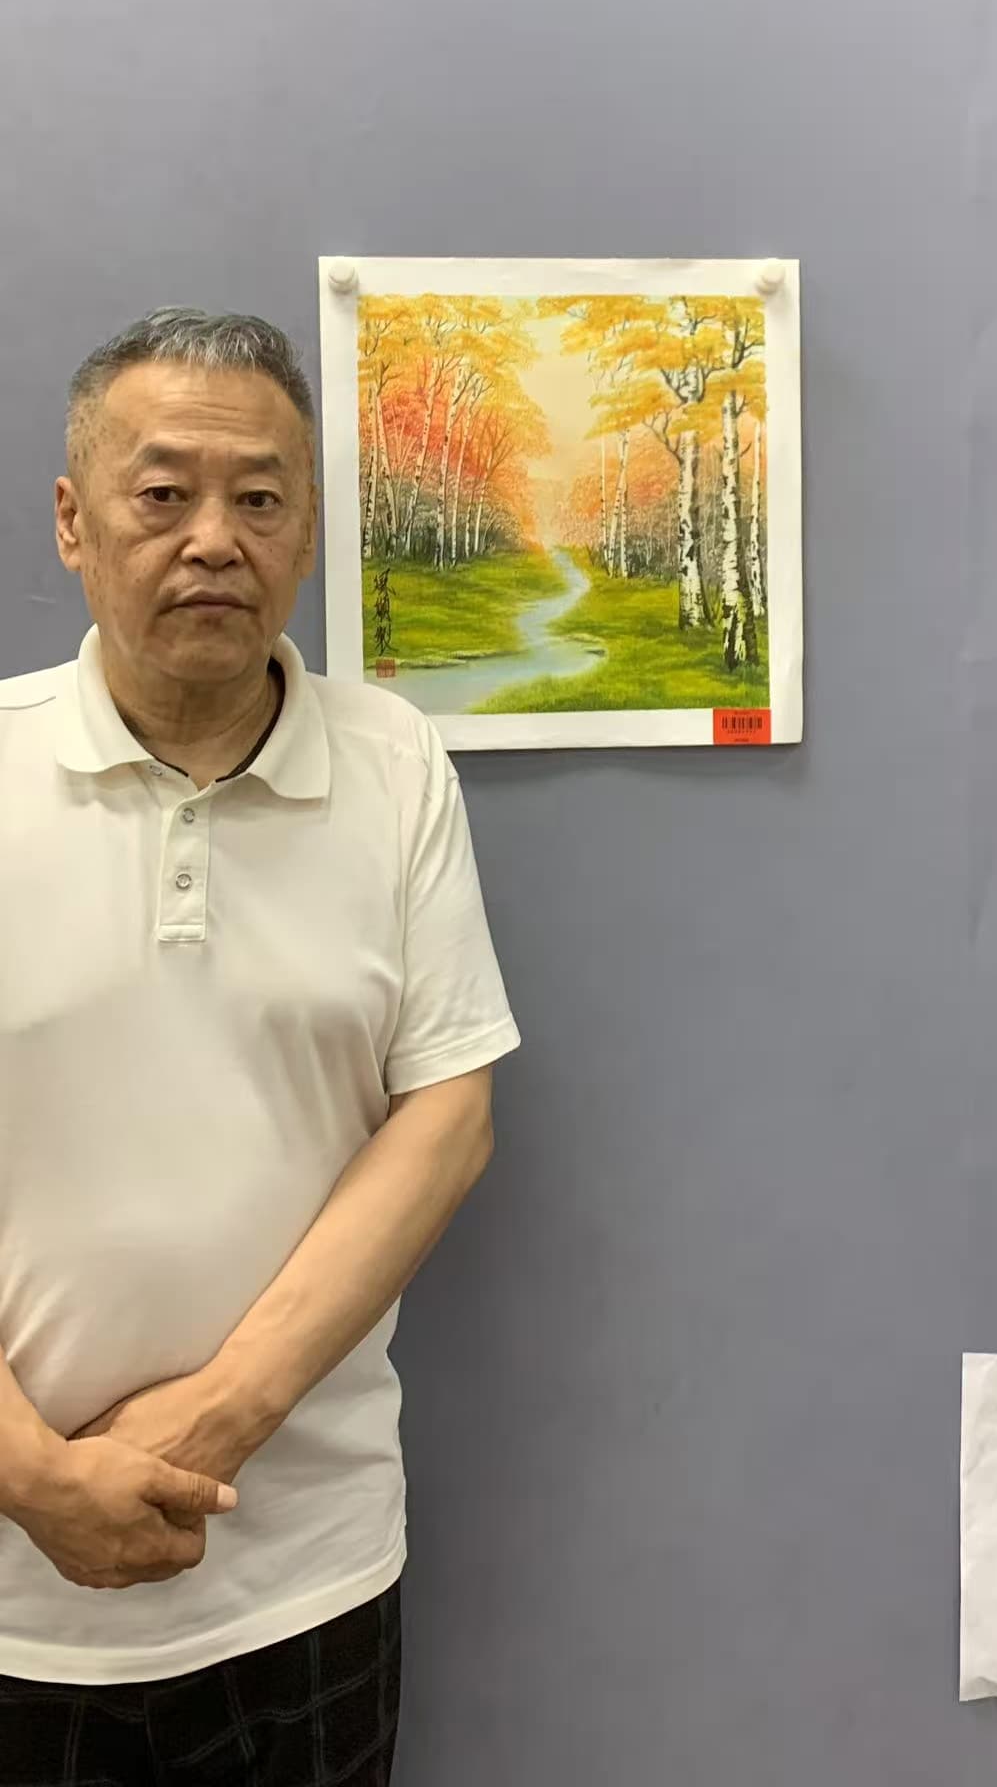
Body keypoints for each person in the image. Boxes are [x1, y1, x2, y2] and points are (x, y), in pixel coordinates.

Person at [0, 310, 519, 1785]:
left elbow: (448, 1116)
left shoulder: (393, 765)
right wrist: (32, 1474)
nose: (214, 540)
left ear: (309, 533)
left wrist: (212, 1422)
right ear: (73, 522)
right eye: (163, 494)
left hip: (307, 1571)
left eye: (261, 498)